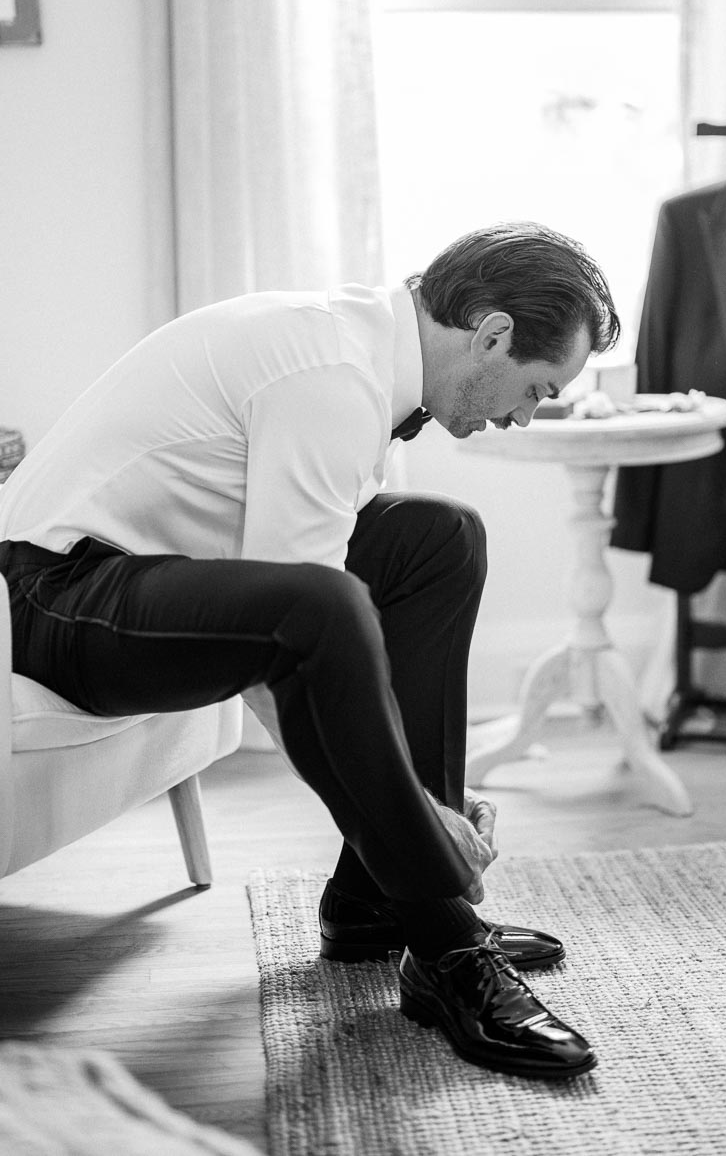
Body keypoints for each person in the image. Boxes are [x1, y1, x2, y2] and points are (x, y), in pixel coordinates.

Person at [0, 221, 619, 1080]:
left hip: (149, 578)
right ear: (492, 335)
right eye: (537, 389)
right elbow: (297, 649)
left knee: (439, 539)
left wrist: (423, 806)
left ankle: (373, 903)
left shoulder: (359, 357)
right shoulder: (329, 373)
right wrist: (416, 817)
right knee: (321, 606)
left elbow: (309, 622)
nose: (522, 416)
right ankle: (445, 941)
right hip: (53, 601)